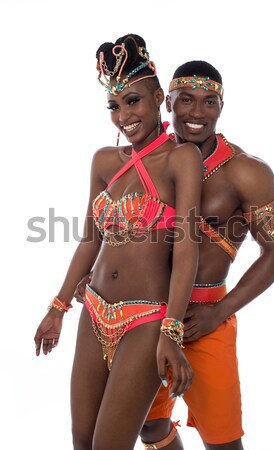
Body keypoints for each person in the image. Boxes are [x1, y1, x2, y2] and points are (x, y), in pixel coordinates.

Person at [33, 36, 203, 450]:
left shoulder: (182, 160)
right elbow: (89, 241)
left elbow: (186, 249)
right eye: (114, 106)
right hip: (93, 310)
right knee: (82, 440)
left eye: (133, 101)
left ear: (159, 97)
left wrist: (172, 329)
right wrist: (58, 307)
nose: (124, 115)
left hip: (146, 321)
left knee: (110, 444)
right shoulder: (104, 162)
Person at [137, 61, 274, 450]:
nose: (196, 113)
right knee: (149, 426)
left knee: (222, 441)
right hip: (147, 312)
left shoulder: (245, 172)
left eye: (209, 102)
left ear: (221, 107)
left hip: (205, 317)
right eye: (186, 100)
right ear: (166, 101)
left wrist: (218, 314)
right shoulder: (150, 161)